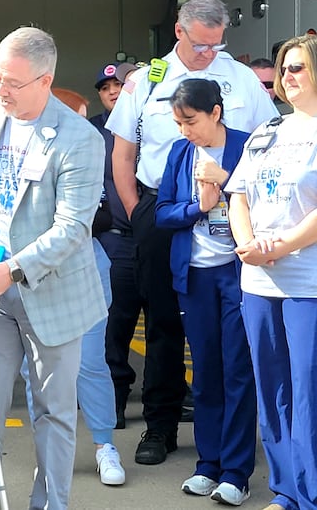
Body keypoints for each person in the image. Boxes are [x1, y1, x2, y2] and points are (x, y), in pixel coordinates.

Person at [106, 0, 277, 465]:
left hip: (230, 213)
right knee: (163, 321)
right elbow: (123, 152)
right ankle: (160, 427)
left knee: (231, 332)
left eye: (216, 45)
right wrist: (138, 211)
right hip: (163, 207)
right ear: (179, 31)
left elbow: (267, 143)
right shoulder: (148, 79)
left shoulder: (240, 79)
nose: (208, 54)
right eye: (201, 44)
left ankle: (229, 439)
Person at [0, 26, 107, 510]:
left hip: (51, 290)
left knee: (54, 414)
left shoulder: (79, 139)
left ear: (45, 80)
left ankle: (49, 505)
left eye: (12, 82)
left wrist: (14, 268)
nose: (1, 90)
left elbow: (72, 228)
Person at [226, 34, 317, 510]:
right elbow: (238, 195)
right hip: (259, 280)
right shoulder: (268, 130)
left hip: (308, 283)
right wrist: (248, 245)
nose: (287, 76)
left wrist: (279, 247)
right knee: (273, 390)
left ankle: (312, 494)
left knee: (308, 393)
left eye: (297, 67)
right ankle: (287, 491)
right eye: (284, 68)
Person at [18, 87, 126, 486]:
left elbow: (102, 217)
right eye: (74, 117)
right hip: (34, 270)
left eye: (83, 118)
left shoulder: (86, 153)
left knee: (91, 363)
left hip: (85, 267)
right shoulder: (24, 155)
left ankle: (104, 445)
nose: (82, 127)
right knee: (35, 370)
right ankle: (47, 452)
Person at [155, 78, 255, 506]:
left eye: (191, 121)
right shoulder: (180, 153)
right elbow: (162, 212)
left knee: (238, 371)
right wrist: (198, 206)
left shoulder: (249, 146)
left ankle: (236, 472)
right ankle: (207, 464)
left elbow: (269, 205)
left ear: (216, 112)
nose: (185, 131)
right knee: (206, 372)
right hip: (194, 276)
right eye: (178, 123)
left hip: (238, 274)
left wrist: (226, 181)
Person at [89, 62, 147, 430]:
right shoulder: (93, 131)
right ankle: (116, 397)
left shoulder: (154, 120)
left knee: (164, 322)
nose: (113, 91)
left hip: (155, 237)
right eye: (105, 86)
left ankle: (165, 398)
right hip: (116, 240)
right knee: (116, 323)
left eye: (119, 84)